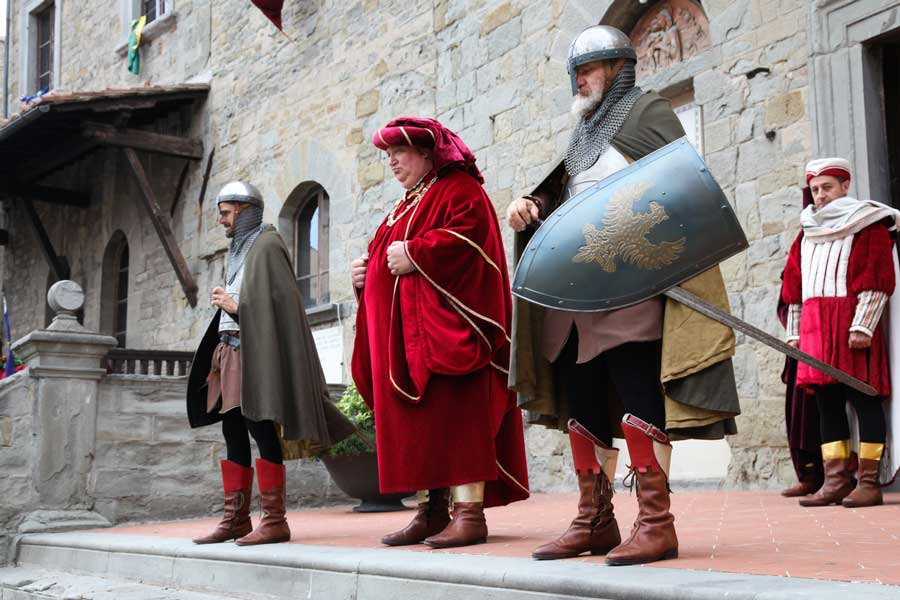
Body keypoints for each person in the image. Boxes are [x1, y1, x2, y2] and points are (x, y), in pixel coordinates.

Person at [506, 25, 740, 566]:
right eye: (576, 72)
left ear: (618, 68)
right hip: (576, 292)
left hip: (630, 282)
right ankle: (595, 519)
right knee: (582, 398)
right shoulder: (583, 134)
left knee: (637, 390)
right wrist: (533, 206)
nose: (579, 81)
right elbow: (566, 197)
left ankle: (656, 522)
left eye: (588, 69)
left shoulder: (647, 112)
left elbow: (680, 187)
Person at [350, 117, 530, 549]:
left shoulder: (459, 190)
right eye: (388, 154)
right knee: (422, 426)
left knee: (457, 416)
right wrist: (365, 275)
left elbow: (473, 243)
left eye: (399, 152)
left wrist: (416, 253)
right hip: (404, 341)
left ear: (427, 153)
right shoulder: (405, 203)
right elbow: (386, 263)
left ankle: (469, 514)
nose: (392, 161)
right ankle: (430, 511)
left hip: (448, 333)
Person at [187, 181, 353, 545]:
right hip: (229, 351)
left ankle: (275, 520)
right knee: (232, 430)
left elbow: (281, 304)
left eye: (226, 213)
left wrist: (237, 308)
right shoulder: (238, 249)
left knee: (261, 427)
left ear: (245, 211)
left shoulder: (267, 245)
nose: (221, 220)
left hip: (256, 352)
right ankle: (236, 519)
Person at [781, 158, 898, 508]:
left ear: (845, 186)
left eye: (827, 187)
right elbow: (794, 289)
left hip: (852, 324)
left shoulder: (867, 224)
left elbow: (876, 278)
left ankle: (869, 482)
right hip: (815, 327)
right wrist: (795, 334)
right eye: (815, 189)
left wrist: (863, 325)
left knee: (864, 400)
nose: (821, 195)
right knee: (827, 405)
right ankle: (836, 481)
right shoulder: (806, 232)